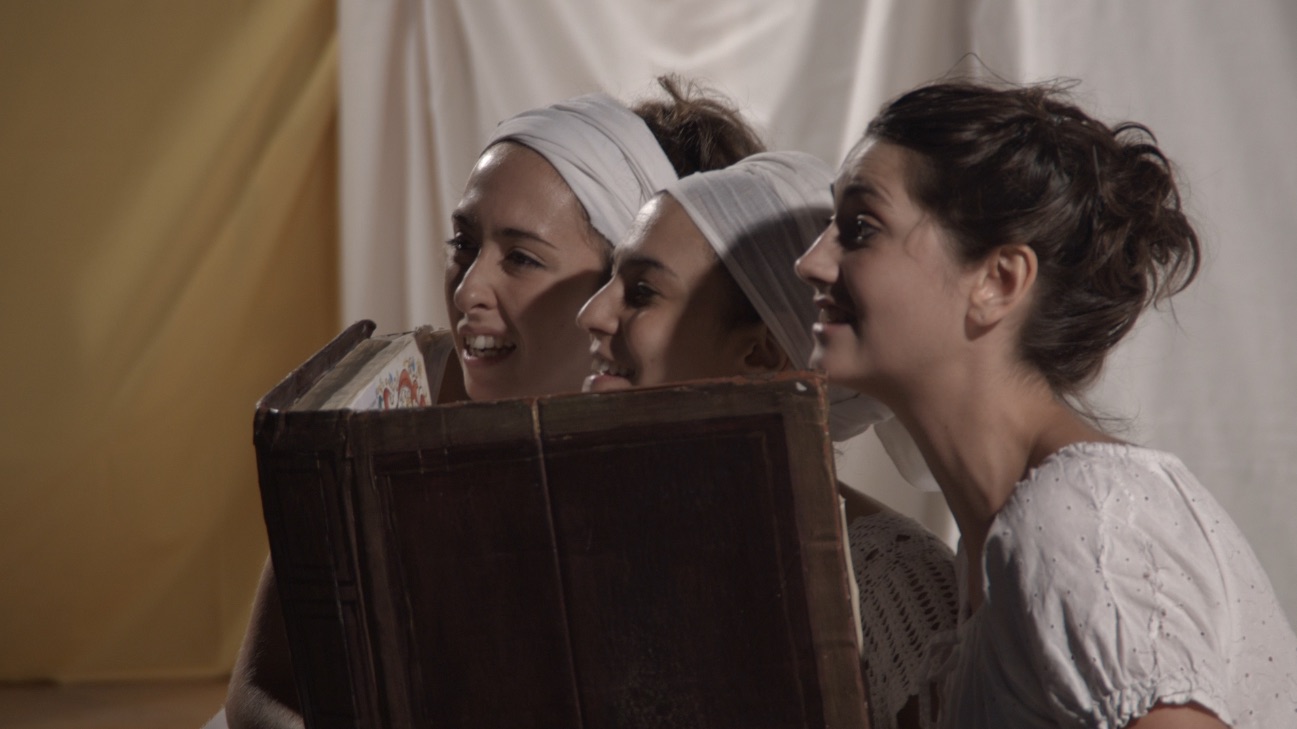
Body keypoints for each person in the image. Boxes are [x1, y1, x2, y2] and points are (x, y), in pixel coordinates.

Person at [223, 79, 764, 729]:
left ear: (618, 283)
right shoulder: (388, 397)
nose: (467, 289)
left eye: (521, 258)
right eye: (463, 244)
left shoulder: (675, 447)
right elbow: (260, 689)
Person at [794, 80, 1297, 729]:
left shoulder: (1080, 519)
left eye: (860, 228)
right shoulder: (996, 558)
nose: (810, 263)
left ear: (997, 281)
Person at [577, 151, 959, 729]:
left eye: (642, 291)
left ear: (759, 354)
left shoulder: (894, 583)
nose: (591, 313)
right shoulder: (586, 534)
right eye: (611, 278)